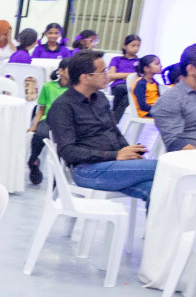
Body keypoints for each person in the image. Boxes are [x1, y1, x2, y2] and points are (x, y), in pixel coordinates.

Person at [46, 50, 158, 202]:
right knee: (162, 168)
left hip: (112, 166)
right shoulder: (63, 106)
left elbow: (114, 131)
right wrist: (116, 155)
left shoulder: (100, 97)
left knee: (157, 191)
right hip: (87, 170)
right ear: (85, 77)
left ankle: (157, 227)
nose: (108, 75)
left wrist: (129, 152)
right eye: (102, 71)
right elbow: (68, 151)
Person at [26, 58, 71, 185]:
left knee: (62, 140)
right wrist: (33, 126)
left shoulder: (76, 89)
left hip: (66, 123)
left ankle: (58, 176)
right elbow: (41, 110)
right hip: (48, 119)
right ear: (60, 71)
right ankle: (33, 160)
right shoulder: (48, 86)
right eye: (69, 70)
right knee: (40, 134)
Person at [131, 54, 165, 118]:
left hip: (155, 109)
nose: (160, 66)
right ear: (146, 68)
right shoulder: (141, 84)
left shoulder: (154, 82)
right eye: (157, 64)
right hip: (145, 112)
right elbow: (143, 106)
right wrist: (160, 109)